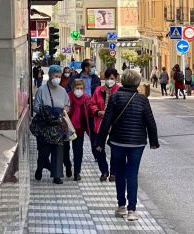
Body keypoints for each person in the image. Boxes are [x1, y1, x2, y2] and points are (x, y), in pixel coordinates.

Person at [96, 69, 159, 221]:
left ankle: (121, 206)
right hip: (137, 143)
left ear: (122, 81)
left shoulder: (115, 97)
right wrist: (153, 141)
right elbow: (150, 122)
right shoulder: (142, 99)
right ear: (137, 83)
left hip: (117, 142)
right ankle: (132, 210)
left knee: (120, 173)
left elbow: (107, 121)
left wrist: (100, 142)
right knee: (132, 174)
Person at [33, 65, 70, 184]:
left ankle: (57, 175)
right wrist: (47, 112)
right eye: (56, 76)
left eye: (59, 76)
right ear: (50, 76)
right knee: (44, 150)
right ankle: (40, 166)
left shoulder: (63, 90)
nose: (58, 78)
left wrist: (64, 110)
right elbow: (36, 106)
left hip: (58, 125)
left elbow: (67, 105)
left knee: (58, 150)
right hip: (45, 125)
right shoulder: (41, 90)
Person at [90, 68, 121, 182]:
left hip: (114, 125)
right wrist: (98, 111)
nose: (110, 80)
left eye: (112, 78)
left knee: (115, 149)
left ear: (116, 78)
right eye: (108, 78)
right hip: (100, 123)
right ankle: (104, 171)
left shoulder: (119, 91)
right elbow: (92, 104)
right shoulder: (98, 90)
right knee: (98, 147)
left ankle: (113, 172)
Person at [63, 79, 90, 181]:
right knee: (65, 150)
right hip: (67, 128)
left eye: (81, 88)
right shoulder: (67, 97)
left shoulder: (87, 98)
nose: (79, 90)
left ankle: (77, 172)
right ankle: (68, 165)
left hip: (79, 129)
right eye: (77, 88)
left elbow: (89, 114)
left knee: (78, 151)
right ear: (73, 88)